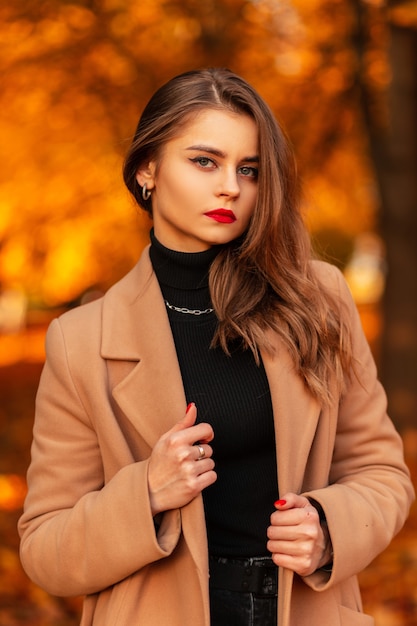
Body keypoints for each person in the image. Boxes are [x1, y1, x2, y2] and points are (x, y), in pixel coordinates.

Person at [18, 68, 414, 626]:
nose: (230, 185)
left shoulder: (317, 299)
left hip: (305, 610)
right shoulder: (80, 340)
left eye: (248, 169)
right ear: (147, 169)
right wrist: (147, 493)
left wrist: (329, 527)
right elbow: (44, 549)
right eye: (205, 161)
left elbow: (382, 473)